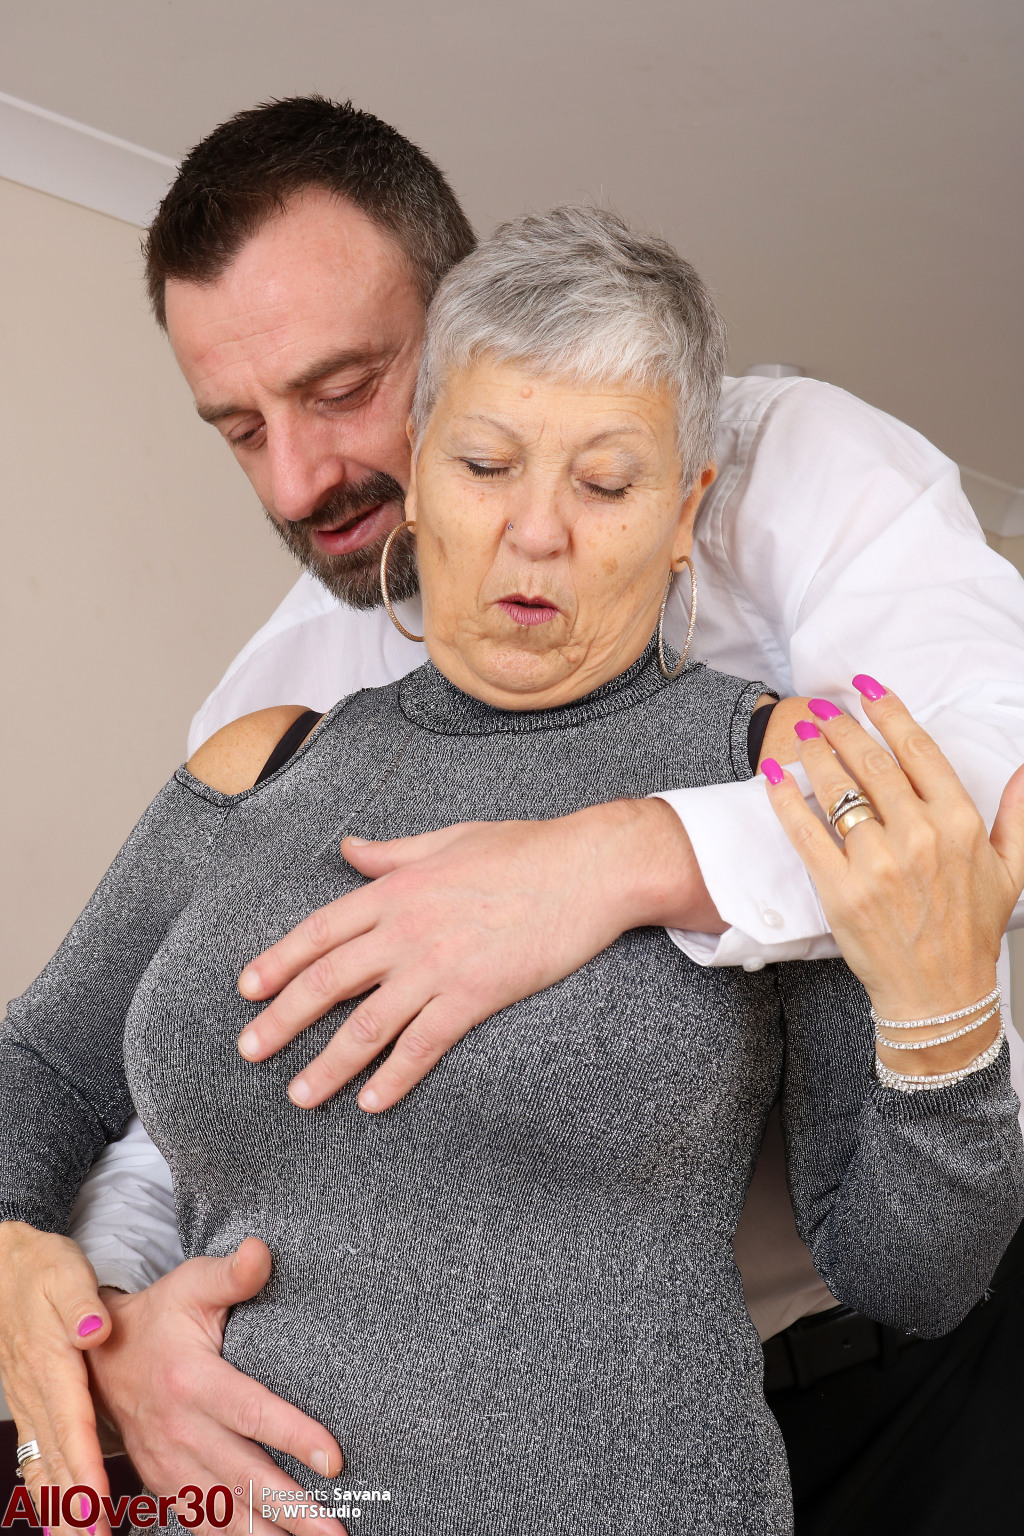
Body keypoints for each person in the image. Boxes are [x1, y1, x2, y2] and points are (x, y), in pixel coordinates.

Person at [2, 98, 1024, 1536]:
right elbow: (91, 1080)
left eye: (340, 388)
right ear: (435, 462)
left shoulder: (782, 677)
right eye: (241, 429)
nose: (298, 478)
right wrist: (100, 1320)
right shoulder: (271, 725)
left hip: (825, 1400)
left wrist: (621, 857)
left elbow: (963, 790)